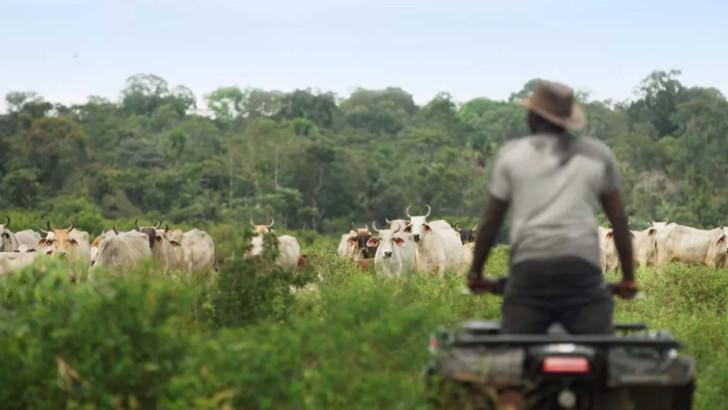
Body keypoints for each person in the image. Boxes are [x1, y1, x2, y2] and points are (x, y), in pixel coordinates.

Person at [467, 80, 637, 335]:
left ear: (534, 117)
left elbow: (491, 221)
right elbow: (619, 220)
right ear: (567, 120)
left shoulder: (511, 156)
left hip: (528, 276)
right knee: (600, 358)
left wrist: (476, 273)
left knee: (515, 359)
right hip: (581, 275)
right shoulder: (598, 155)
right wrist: (628, 278)